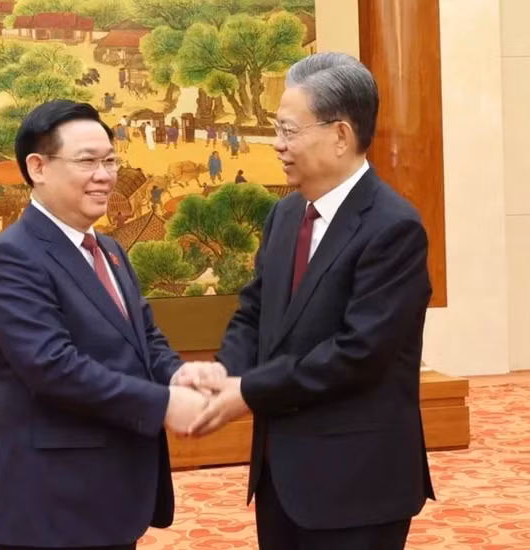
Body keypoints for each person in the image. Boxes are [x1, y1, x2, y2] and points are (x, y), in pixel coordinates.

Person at [186, 52, 435, 550]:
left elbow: (357, 353)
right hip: (281, 478)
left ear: (340, 135)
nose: (277, 145)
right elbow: (254, 312)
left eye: (288, 131)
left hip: (357, 486)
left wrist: (249, 391)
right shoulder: (284, 216)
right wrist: (224, 373)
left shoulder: (393, 228)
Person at [0, 99, 224, 550]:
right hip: (54, 503)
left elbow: (143, 336)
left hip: (112, 489)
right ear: (38, 167)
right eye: (87, 161)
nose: (105, 175)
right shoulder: (12, 256)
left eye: (110, 161)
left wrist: (177, 372)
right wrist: (164, 403)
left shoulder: (108, 249)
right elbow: (52, 367)